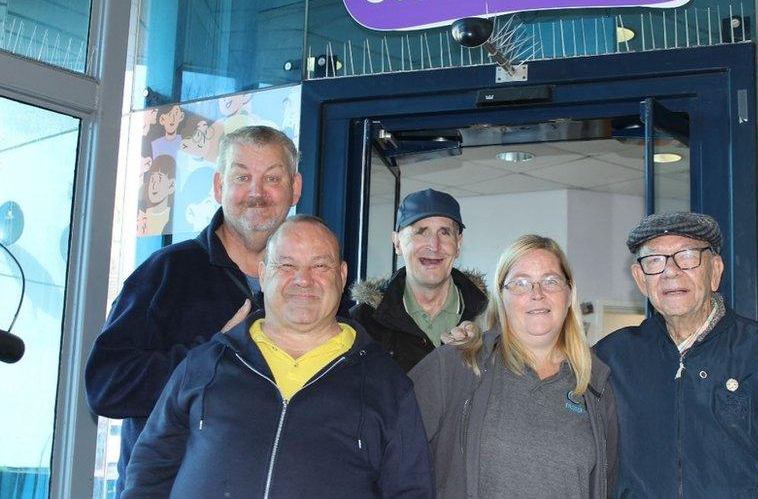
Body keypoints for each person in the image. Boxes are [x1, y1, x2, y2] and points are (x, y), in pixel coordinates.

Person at [122, 216, 435, 497]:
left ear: (341, 275)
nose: (303, 280)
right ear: (263, 272)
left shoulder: (387, 385)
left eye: (320, 266)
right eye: (287, 265)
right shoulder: (205, 365)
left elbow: (411, 491)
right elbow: (150, 472)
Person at [85, 125, 301, 495]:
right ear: (219, 187)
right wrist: (212, 353)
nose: (256, 192)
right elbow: (106, 386)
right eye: (242, 177)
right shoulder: (165, 273)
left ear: (294, 189)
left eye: (272, 178)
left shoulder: (307, 287)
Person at [594, 212, 758, 498]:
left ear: (715, 271)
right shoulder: (612, 358)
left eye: (687, 256)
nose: (671, 272)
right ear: (641, 279)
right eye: (655, 260)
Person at [409, 235, 618, 498]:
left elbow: (607, 484)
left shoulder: (594, 386)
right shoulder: (455, 366)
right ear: (501, 296)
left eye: (550, 281)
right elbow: (393, 460)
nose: (537, 294)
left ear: (569, 294)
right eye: (520, 283)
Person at [350, 188, 487, 371]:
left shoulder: (489, 319)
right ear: (397, 242)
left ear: (458, 244)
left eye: (444, 232)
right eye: (421, 231)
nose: (434, 245)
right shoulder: (362, 325)